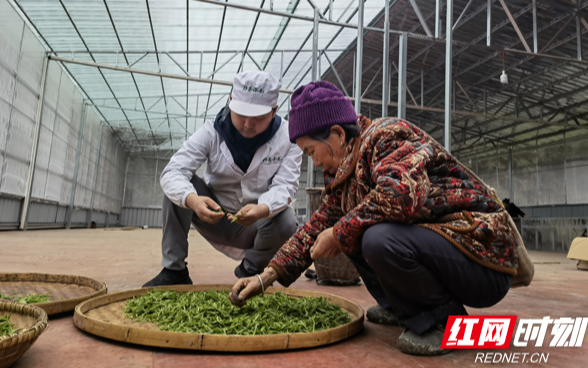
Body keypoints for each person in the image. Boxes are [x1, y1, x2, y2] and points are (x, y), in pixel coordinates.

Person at [229, 81, 524, 356]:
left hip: (482, 256)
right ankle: (401, 307)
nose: (314, 161)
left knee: (373, 236)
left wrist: (339, 233)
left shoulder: (387, 136)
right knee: (351, 228)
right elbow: (315, 228)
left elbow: (402, 197)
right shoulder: (344, 172)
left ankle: (441, 323)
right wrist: (265, 276)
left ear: (338, 134)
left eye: (311, 150)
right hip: (448, 252)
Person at [143, 71, 302, 287]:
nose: (247, 123)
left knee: (286, 220)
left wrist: (262, 208)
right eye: (241, 113)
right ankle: (174, 269)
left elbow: (286, 185)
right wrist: (193, 200)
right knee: (178, 186)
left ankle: (252, 271)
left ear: (274, 111)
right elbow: (173, 171)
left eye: (258, 118)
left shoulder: (288, 137)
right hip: (214, 217)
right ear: (231, 101)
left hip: (257, 224)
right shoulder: (211, 132)